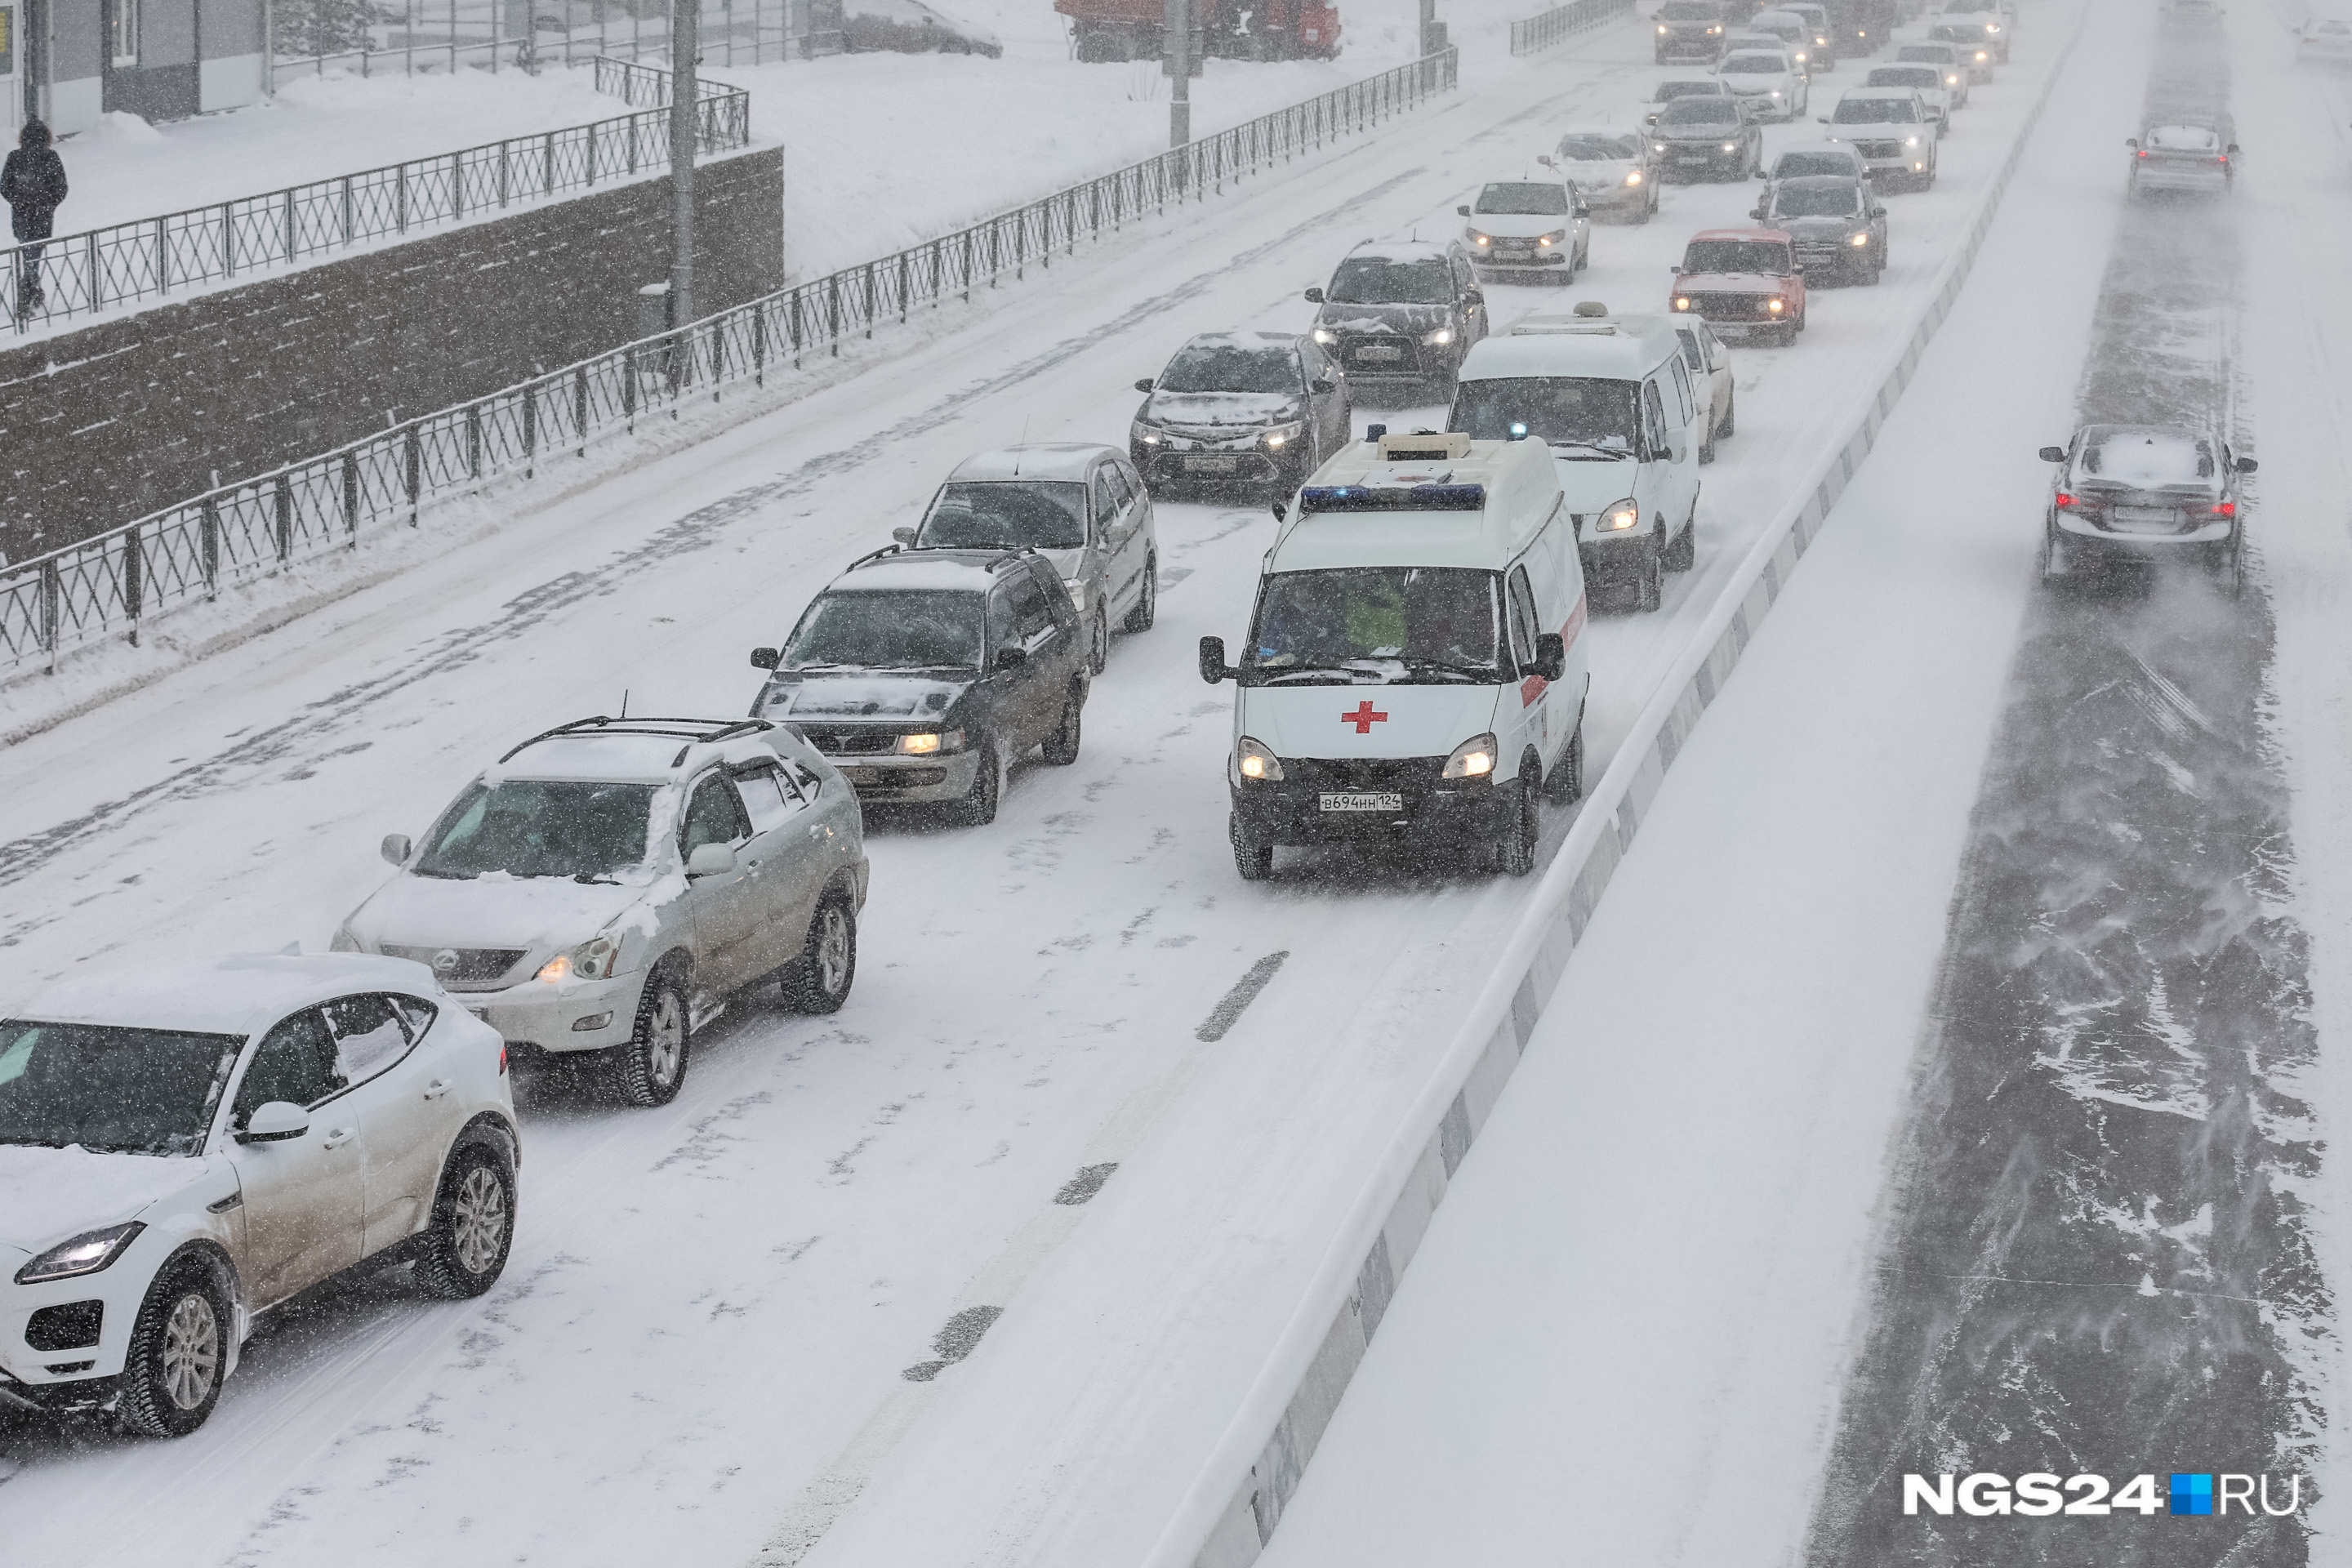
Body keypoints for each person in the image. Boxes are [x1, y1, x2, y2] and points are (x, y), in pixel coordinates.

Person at [2, 121, 68, 321]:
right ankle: (25, 296)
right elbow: (61, 188)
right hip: (42, 217)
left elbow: (5, 187)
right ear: (46, 137)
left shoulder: (15, 157)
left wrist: (19, 203)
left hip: (21, 216)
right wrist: (47, 204)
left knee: (28, 252)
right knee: (33, 255)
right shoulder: (50, 157)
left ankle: (34, 290)